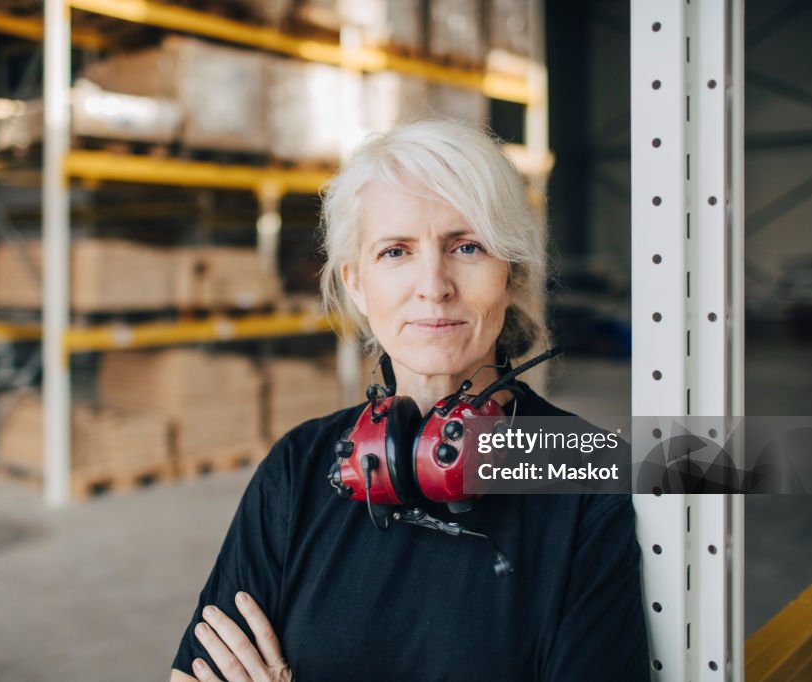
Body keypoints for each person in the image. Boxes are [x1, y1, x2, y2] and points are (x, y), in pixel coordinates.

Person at [170, 119, 649, 681]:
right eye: (395, 251)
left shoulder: (584, 473)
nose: (433, 285)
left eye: (467, 246)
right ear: (355, 283)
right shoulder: (300, 464)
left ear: (510, 273)